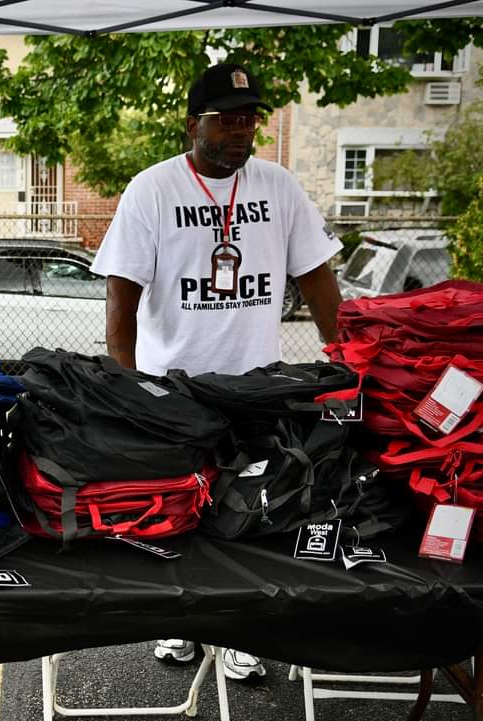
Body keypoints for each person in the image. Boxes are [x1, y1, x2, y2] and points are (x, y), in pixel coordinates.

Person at [90, 62, 344, 681]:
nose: (241, 131)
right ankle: (181, 624)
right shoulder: (152, 189)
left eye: (250, 119)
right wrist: (130, 390)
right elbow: (121, 300)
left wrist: (346, 357)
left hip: (257, 387)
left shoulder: (278, 186)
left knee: (250, 510)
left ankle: (239, 632)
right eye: (227, 120)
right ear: (192, 124)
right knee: (180, 512)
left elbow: (316, 280)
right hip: (174, 386)